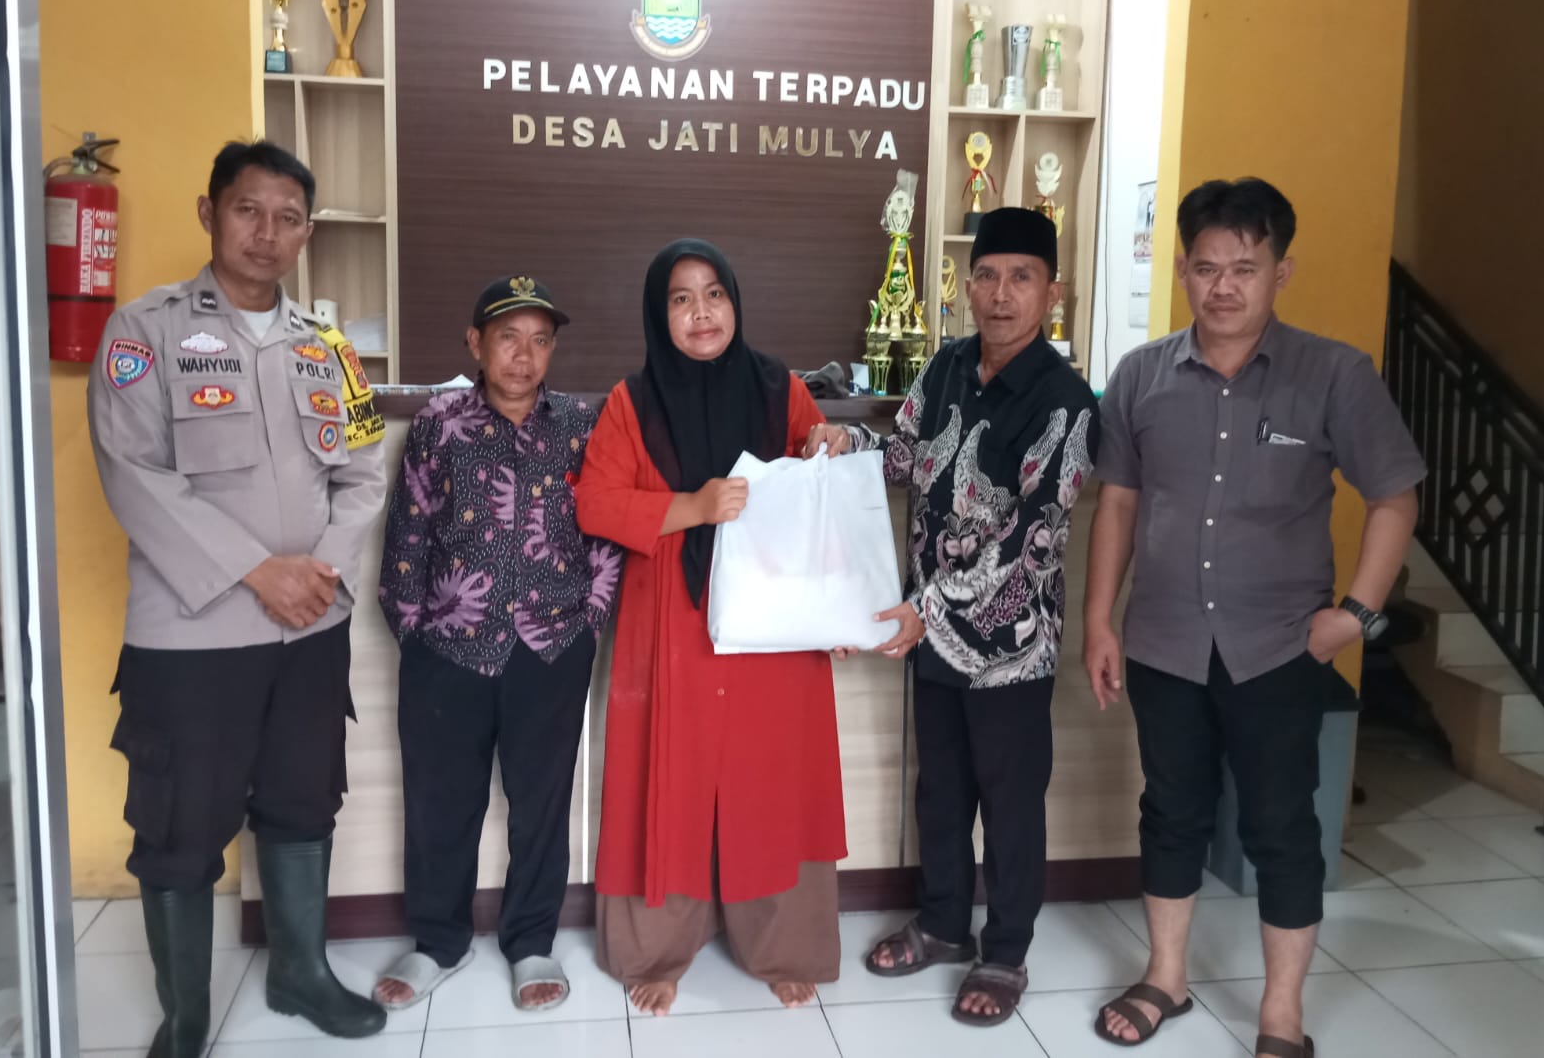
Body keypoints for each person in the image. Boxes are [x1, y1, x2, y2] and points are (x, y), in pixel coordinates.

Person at [1084, 178, 1425, 1058]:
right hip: (1164, 642)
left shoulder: (1335, 374)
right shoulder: (1141, 376)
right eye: (1206, 268)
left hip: (1279, 648)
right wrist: (1100, 620)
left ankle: (1281, 1015)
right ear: (1183, 273)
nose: (1224, 287)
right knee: (1171, 812)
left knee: (1281, 826)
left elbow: (1394, 496)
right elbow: (1117, 502)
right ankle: (1167, 978)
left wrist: (1356, 615)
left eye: (1245, 267)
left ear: (1281, 272)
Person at [88, 141, 389, 1055]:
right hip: (192, 637)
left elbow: (364, 474)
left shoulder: (330, 348)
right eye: (248, 210)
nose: (267, 232)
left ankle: (300, 974)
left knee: (303, 803)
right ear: (209, 213)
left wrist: (316, 575)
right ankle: (185, 1018)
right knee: (180, 825)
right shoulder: (145, 332)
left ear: (307, 232)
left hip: (309, 631)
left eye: (288, 217)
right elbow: (133, 473)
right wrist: (262, 572)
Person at [808, 206, 1098, 1028]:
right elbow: (905, 456)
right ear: (967, 287)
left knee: (1010, 802)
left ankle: (1004, 952)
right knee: (940, 790)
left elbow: (1031, 541)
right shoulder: (945, 368)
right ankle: (941, 924)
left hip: (1010, 646)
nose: (1002, 295)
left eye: (1022, 278)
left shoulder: (1066, 402)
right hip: (930, 637)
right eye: (988, 276)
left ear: (1051, 292)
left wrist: (924, 608)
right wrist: (849, 445)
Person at [574, 239, 847, 1016]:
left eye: (714, 294)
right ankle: (658, 950)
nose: (702, 313)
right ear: (658, 314)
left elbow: (818, 478)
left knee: (772, 776)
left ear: (735, 302)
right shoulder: (632, 402)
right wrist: (692, 506)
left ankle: (782, 945)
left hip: (773, 621)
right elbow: (596, 503)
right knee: (673, 774)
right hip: (673, 616)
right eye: (681, 298)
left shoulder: (780, 388)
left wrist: (830, 441)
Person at [372, 277, 620, 1012]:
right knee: (439, 802)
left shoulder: (580, 426)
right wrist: (413, 631)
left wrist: (589, 622)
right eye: (509, 338)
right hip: (448, 648)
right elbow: (407, 533)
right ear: (475, 343)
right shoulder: (439, 424)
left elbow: (604, 534)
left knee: (541, 804)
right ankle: (437, 941)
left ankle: (532, 941)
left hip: (550, 647)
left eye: (540, 340)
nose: (524, 355)